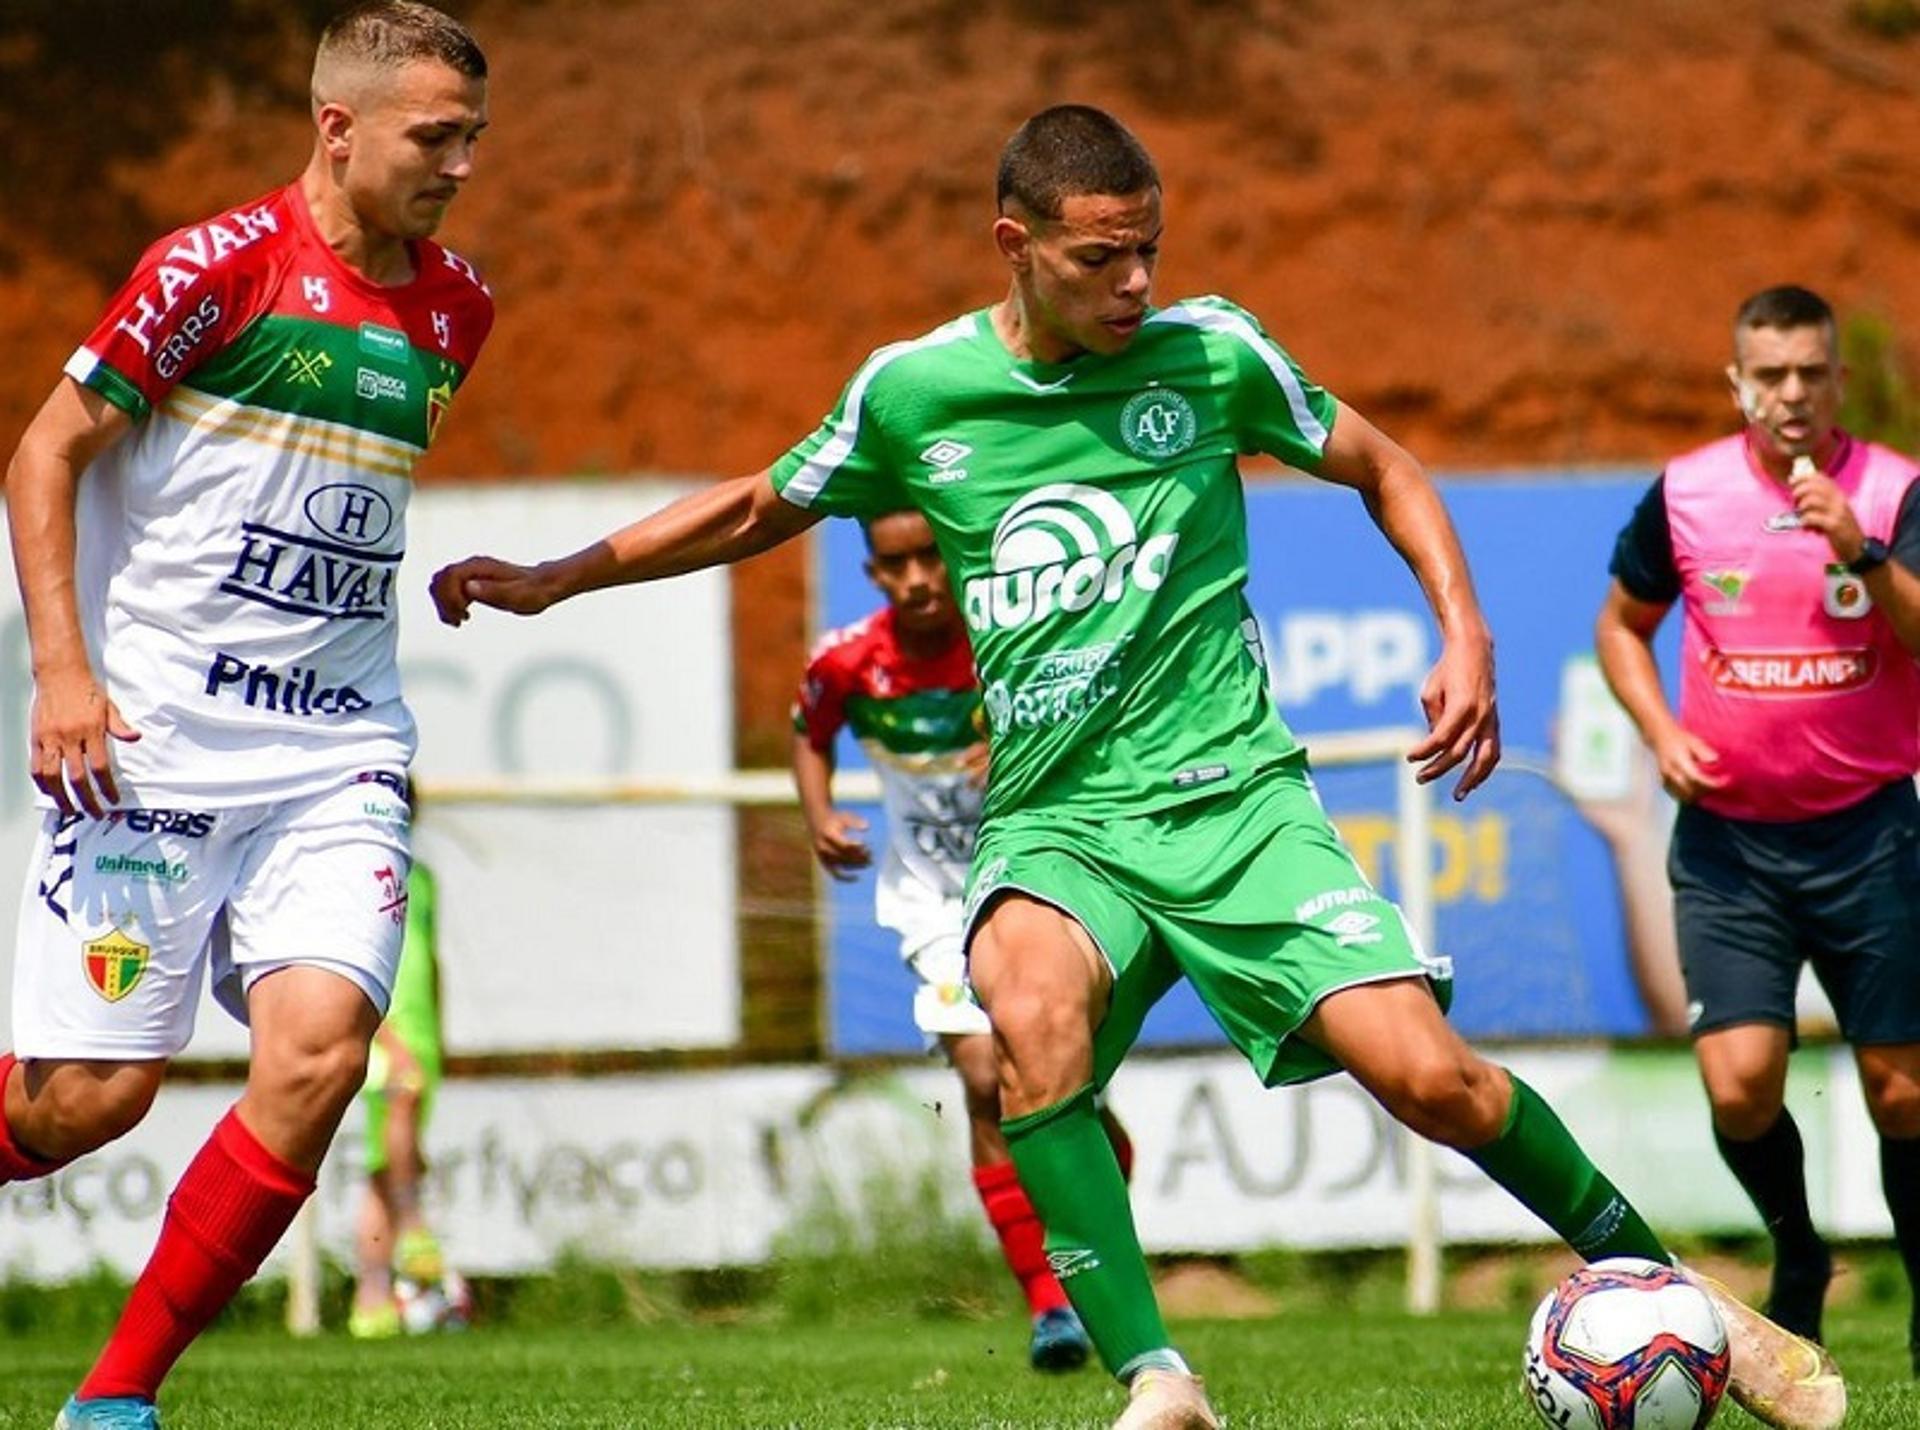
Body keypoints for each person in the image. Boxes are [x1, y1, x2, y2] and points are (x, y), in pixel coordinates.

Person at [432, 107, 1840, 1430]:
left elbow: (1389, 469)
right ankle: (1159, 1377)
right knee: (1026, 1017)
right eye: (1103, 258)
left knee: (1436, 1083)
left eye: (1149, 249)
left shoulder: (1211, 354)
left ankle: (1683, 1300)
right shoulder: (919, 391)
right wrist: (560, 578)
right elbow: (754, 503)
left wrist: (1464, 632)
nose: (1136, 282)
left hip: (1239, 807)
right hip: (1060, 824)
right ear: (1016, 244)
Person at [0, 5, 492, 1425]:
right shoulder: (213, 270)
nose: (457, 165)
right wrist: (64, 672)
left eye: (471, 139)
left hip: (337, 752)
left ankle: (114, 1397)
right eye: (433, 136)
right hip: (151, 749)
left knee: (326, 1050)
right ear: (337, 125)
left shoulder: (456, 308)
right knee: (89, 1101)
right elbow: (46, 456)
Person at [1596, 284, 1920, 1370]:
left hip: (1870, 832)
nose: (1791, 393)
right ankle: (1797, 1253)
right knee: (1739, 1082)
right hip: (1732, 845)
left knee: (1904, 1089)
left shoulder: (1892, 487)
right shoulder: (1684, 493)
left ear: (1837, 378)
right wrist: (1657, 731)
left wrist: (1864, 553)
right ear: (1737, 383)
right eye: (1769, 374)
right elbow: (1621, 625)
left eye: (1810, 372)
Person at [793, 507, 1119, 1371]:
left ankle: (1098, 1170)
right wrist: (821, 813)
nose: (917, 580)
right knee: (983, 1075)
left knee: (1054, 1085)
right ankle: (1051, 1305)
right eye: (894, 565)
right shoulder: (847, 658)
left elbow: (1098, 717)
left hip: (1035, 879)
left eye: (930, 557)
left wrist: (1022, 739)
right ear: (872, 574)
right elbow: (810, 733)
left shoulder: (1006, 639)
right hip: (933, 904)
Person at [349, 836, 465, 1338]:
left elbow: (430, 960)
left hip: (423, 1035)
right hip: (386, 1028)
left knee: (382, 1169)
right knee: (402, 1101)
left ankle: (371, 1302)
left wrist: (440, 1028)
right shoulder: (357, 875)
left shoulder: (423, 880)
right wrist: (384, 1033)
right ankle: (414, 1226)